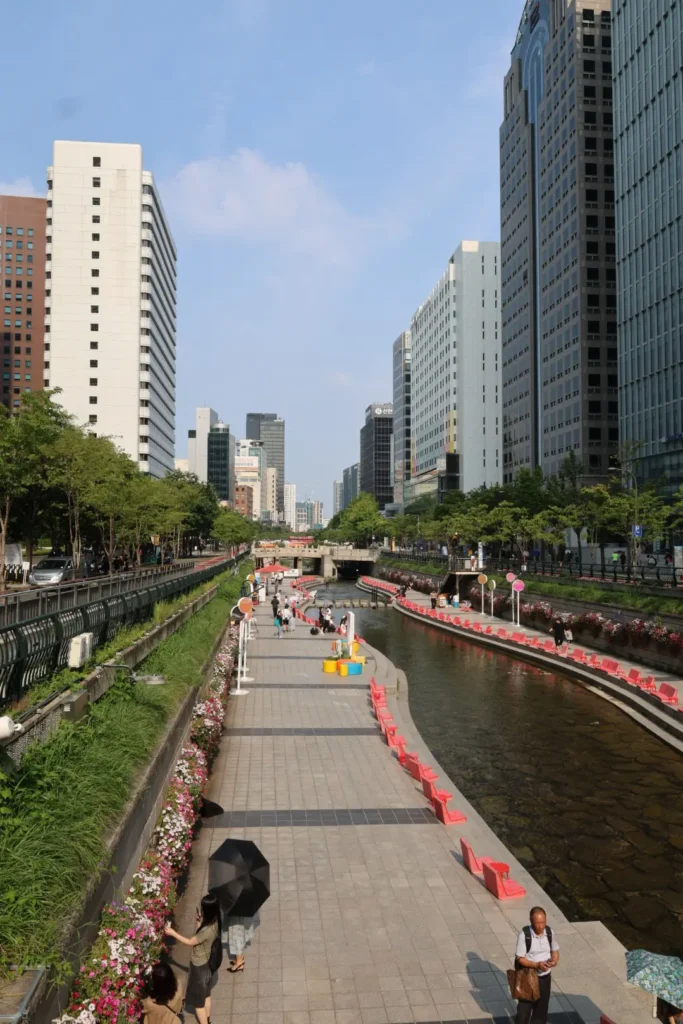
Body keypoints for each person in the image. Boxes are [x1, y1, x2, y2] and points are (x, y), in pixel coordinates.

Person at [165, 893, 221, 1024]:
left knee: (198, 1003)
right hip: (208, 964)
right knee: (206, 994)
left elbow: (191, 942)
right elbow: (202, 938)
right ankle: (208, 1019)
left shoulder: (206, 930)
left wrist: (173, 933)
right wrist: (199, 923)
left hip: (199, 967)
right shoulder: (216, 922)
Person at [514, 906, 559, 1024]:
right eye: (537, 923)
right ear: (531, 921)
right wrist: (536, 965)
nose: (541, 926)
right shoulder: (524, 935)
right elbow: (520, 958)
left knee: (541, 1010)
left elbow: (555, 950)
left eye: (543, 922)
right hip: (528, 977)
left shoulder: (549, 932)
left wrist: (554, 960)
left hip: (545, 978)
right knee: (524, 1010)